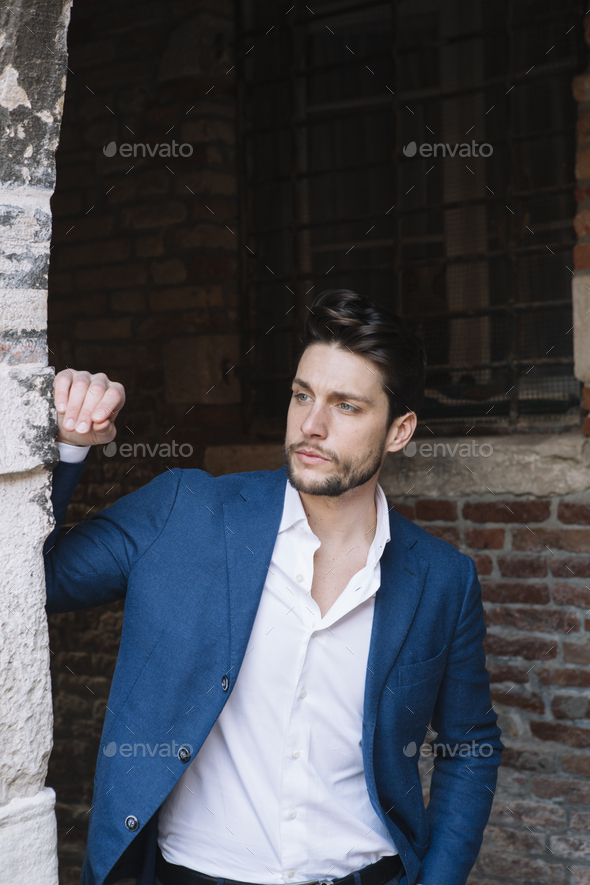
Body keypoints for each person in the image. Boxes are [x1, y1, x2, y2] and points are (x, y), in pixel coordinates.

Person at [45, 289, 503, 885]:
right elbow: (34, 580)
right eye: (301, 395)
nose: (311, 425)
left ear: (399, 430)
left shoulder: (442, 579)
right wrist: (67, 445)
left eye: (346, 406)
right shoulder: (184, 511)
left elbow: (470, 744)